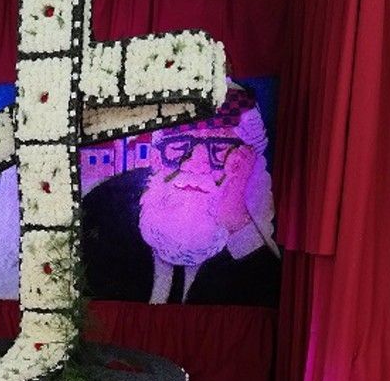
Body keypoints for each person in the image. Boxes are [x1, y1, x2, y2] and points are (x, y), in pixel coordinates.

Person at [81, 83, 280, 305]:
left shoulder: (258, 229)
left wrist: (237, 224)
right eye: (178, 147)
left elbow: (266, 294)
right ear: (157, 157)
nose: (195, 164)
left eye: (219, 149)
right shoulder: (105, 207)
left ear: (246, 162)